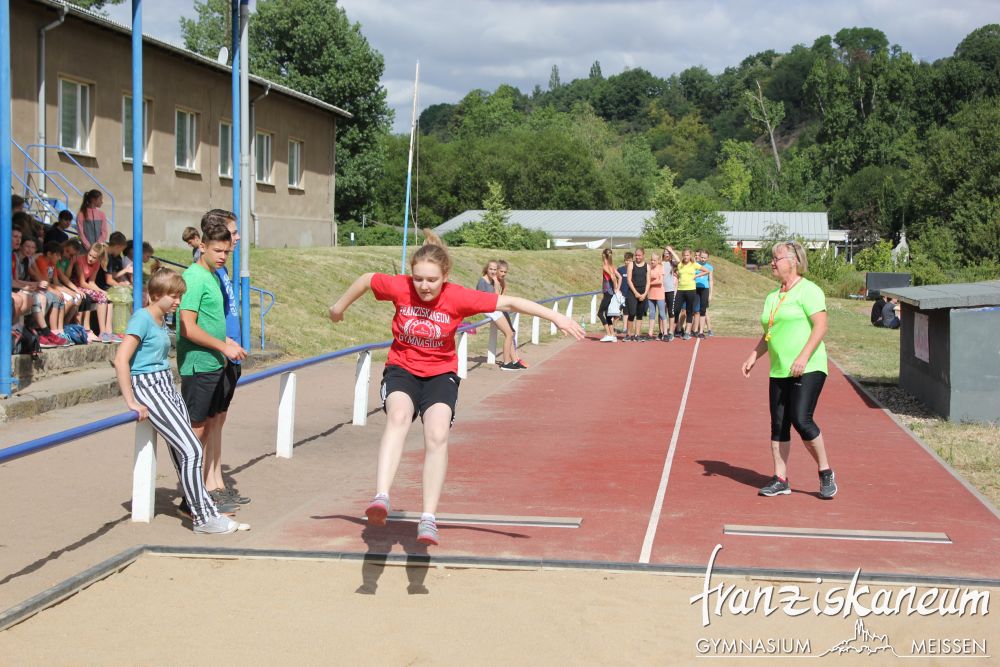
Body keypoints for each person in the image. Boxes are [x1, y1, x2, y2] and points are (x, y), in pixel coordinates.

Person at [328, 230, 584, 546]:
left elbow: (510, 301)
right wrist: (338, 308)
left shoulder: (458, 297)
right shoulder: (400, 287)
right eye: (418, 279)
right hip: (402, 369)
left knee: (437, 434)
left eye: (431, 280)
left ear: (445, 277)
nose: (424, 286)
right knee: (398, 416)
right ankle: (381, 496)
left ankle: (428, 518)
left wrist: (555, 317)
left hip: (440, 374)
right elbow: (368, 279)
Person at [113, 268, 249, 534]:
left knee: (184, 451)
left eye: (179, 296)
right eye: (173, 296)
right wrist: (131, 400)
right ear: (155, 295)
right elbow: (121, 359)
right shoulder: (142, 318)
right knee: (192, 449)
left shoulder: (161, 319)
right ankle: (203, 517)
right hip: (149, 386)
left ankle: (202, 509)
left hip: (165, 383)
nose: (178, 302)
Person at [741, 240, 837, 500]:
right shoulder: (773, 296)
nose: (772, 262)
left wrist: (803, 357)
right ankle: (780, 479)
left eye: (777, 258)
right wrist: (754, 355)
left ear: (793, 262)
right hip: (780, 368)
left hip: (809, 366)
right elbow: (770, 332)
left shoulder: (809, 290)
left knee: (801, 419)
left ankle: (825, 471)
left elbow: (821, 326)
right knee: (779, 423)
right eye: (772, 258)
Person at [177, 222, 247, 515]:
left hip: (214, 362)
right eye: (217, 250)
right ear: (202, 246)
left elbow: (209, 323)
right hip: (199, 365)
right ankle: (191, 499)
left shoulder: (212, 276)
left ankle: (200, 492)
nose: (222, 256)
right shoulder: (193, 278)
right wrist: (222, 346)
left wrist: (225, 341)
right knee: (195, 431)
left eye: (226, 252)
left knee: (205, 428)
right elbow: (188, 327)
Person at [198, 209, 252, 507]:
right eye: (233, 232)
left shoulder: (222, 269)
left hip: (231, 352)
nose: (237, 237)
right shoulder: (206, 272)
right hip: (218, 354)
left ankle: (216, 478)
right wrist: (223, 344)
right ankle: (205, 483)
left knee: (219, 419)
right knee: (208, 421)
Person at [476, 260, 522, 370]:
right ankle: (506, 363)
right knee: (509, 334)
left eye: (495, 269)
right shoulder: (482, 281)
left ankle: (514, 360)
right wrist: (497, 284)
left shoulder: (493, 280)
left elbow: (499, 297)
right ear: (486, 269)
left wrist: (500, 285)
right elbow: (494, 299)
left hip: (495, 308)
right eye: (491, 269)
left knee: (510, 333)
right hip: (489, 309)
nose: (493, 272)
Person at [72, 241, 117, 342]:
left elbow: (91, 282)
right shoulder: (80, 260)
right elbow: (82, 282)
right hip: (77, 286)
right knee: (100, 297)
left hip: (86, 287)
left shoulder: (96, 264)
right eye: (90, 255)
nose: (91, 259)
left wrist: (101, 291)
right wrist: (99, 292)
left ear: (98, 258)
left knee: (106, 297)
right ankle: (100, 332)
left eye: (94, 257)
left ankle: (106, 332)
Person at [674, 249, 707, 341]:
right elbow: (678, 273)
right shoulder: (680, 264)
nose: (686, 257)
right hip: (680, 289)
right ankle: (675, 329)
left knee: (689, 311)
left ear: (690, 256)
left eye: (687, 255)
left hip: (691, 289)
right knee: (676, 310)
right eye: (684, 255)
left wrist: (696, 276)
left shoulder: (694, 264)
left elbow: (706, 271)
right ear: (682, 256)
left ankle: (687, 332)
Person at [625, 247, 649, 341]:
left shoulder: (647, 266)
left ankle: (637, 335)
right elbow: (629, 280)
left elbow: (648, 282)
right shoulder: (631, 264)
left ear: (643, 255)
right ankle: (628, 334)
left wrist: (644, 294)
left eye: (639, 255)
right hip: (632, 292)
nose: (637, 257)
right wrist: (635, 293)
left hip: (643, 292)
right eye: (636, 255)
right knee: (632, 313)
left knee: (639, 314)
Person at [598, 248, 621, 342]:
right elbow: (620, 277)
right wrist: (617, 288)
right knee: (607, 314)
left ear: (603, 255)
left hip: (608, 292)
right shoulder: (612, 266)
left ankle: (608, 334)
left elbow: (613, 277)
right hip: (610, 292)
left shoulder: (605, 266)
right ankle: (612, 335)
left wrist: (616, 288)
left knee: (600, 313)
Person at [645, 252, 668, 340]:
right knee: (651, 313)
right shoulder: (649, 268)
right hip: (651, 294)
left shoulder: (661, 268)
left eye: (654, 260)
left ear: (658, 261)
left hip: (659, 294)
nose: (652, 261)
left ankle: (665, 333)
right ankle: (650, 333)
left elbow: (660, 281)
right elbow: (647, 278)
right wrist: (651, 281)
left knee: (662, 314)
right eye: (651, 260)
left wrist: (649, 283)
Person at [694, 249, 715, 338]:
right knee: (695, 310)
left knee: (703, 310)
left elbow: (711, 280)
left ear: (708, 258)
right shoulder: (695, 265)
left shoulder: (709, 267)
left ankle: (701, 331)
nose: (703, 259)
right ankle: (694, 330)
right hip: (695, 289)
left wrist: (710, 294)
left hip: (704, 290)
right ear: (699, 257)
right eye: (702, 257)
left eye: (705, 258)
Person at [661, 245, 679, 341]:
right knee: (661, 312)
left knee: (671, 312)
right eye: (665, 252)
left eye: (668, 253)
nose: (667, 254)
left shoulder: (672, 263)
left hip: (670, 290)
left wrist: (672, 251)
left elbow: (679, 261)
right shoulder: (660, 263)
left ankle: (671, 332)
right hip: (661, 290)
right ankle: (662, 332)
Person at [616, 252, 632, 336]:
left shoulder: (633, 270)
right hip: (620, 294)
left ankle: (625, 328)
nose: (627, 262)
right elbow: (615, 280)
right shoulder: (620, 270)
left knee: (626, 312)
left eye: (629, 260)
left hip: (629, 294)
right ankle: (613, 327)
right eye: (626, 260)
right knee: (616, 312)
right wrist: (617, 290)